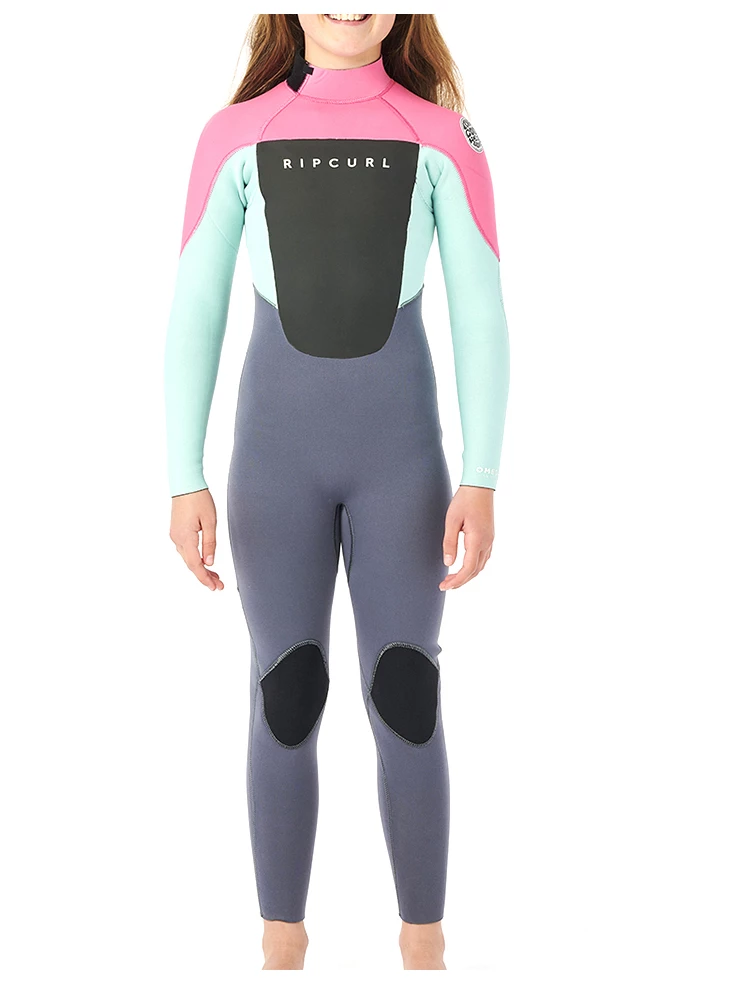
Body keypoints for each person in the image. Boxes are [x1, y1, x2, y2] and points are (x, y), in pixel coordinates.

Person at [163, 14, 509, 971]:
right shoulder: (235, 135)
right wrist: (183, 475)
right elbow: (195, 303)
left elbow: (481, 305)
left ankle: (424, 949)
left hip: (403, 465)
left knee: (406, 694)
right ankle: (281, 947)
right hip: (273, 466)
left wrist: (481, 474)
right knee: (287, 691)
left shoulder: (441, 135)